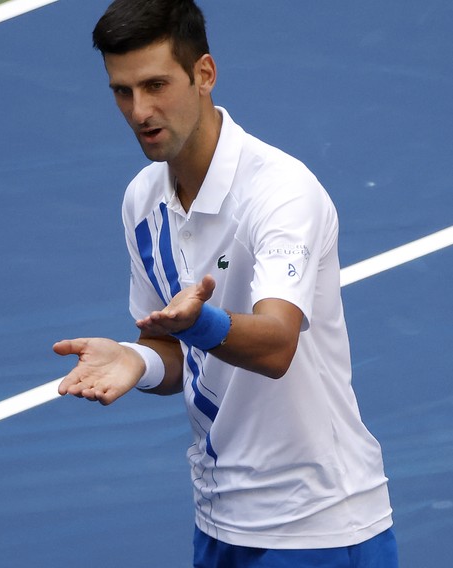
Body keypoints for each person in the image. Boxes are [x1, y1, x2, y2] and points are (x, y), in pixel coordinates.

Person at [54, 1, 397, 566]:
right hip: (220, 520)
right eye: (122, 91)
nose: (140, 110)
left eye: (156, 85)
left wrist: (200, 323)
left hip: (321, 528)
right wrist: (137, 362)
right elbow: (172, 346)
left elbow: (276, 344)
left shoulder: (281, 192)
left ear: (204, 74)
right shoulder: (142, 200)